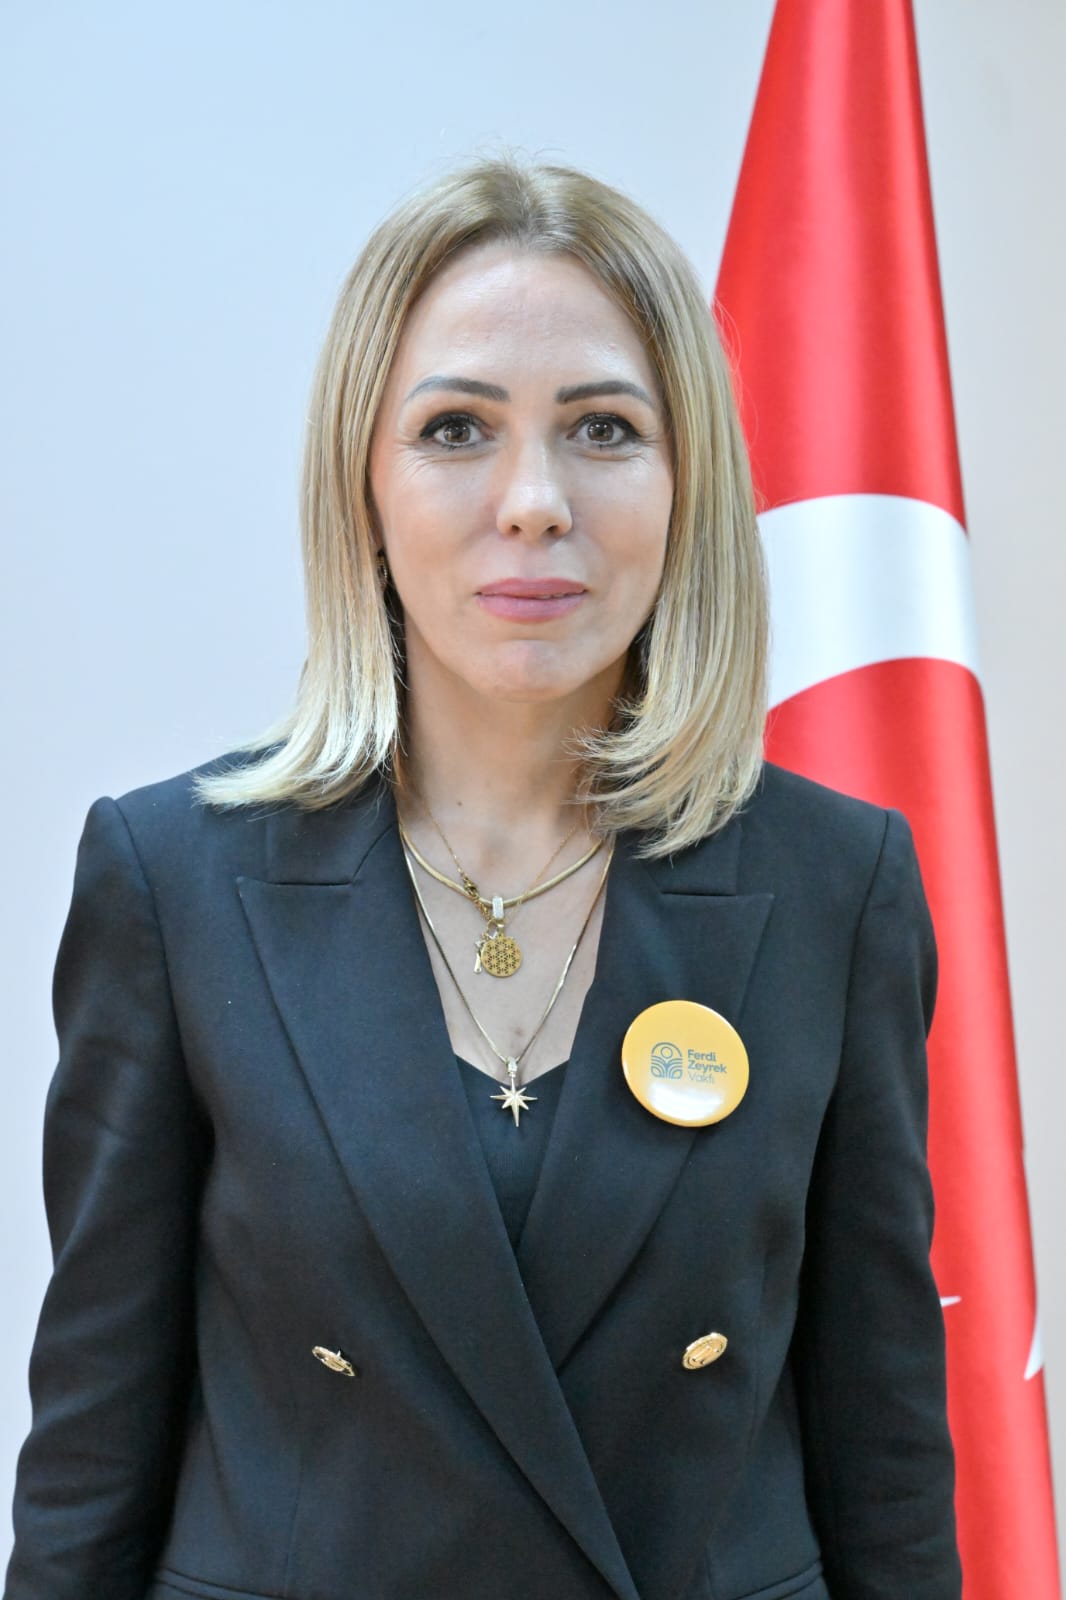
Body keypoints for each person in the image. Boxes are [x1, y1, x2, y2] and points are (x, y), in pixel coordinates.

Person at [4, 156, 962, 1600]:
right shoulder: (172, 879)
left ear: (687, 483)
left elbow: (883, 1455)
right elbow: (93, 1453)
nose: (532, 501)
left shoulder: (839, 886)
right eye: (456, 429)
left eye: (602, 429)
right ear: (363, 483)